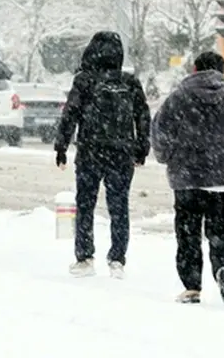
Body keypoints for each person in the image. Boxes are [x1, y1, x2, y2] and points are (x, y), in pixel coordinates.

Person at [151, 51, 224, 305]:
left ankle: (192, 286)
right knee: (221, 230)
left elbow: (161, 131)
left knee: (188, 232)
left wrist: (167, 156)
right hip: (221, 177)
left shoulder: (180, 96)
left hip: (186, 176)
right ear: (222, 70)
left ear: (195, 69)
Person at [54, 31, 151, 278]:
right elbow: (142, 116)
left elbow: (70, 114)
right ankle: (117, 259)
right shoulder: (130, 82)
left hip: (90, 151)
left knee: (85, 204)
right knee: (119, 206)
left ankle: (85, 257)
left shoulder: (84, 81)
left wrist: (62, 146)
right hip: (121, 152)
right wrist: (141, 147)